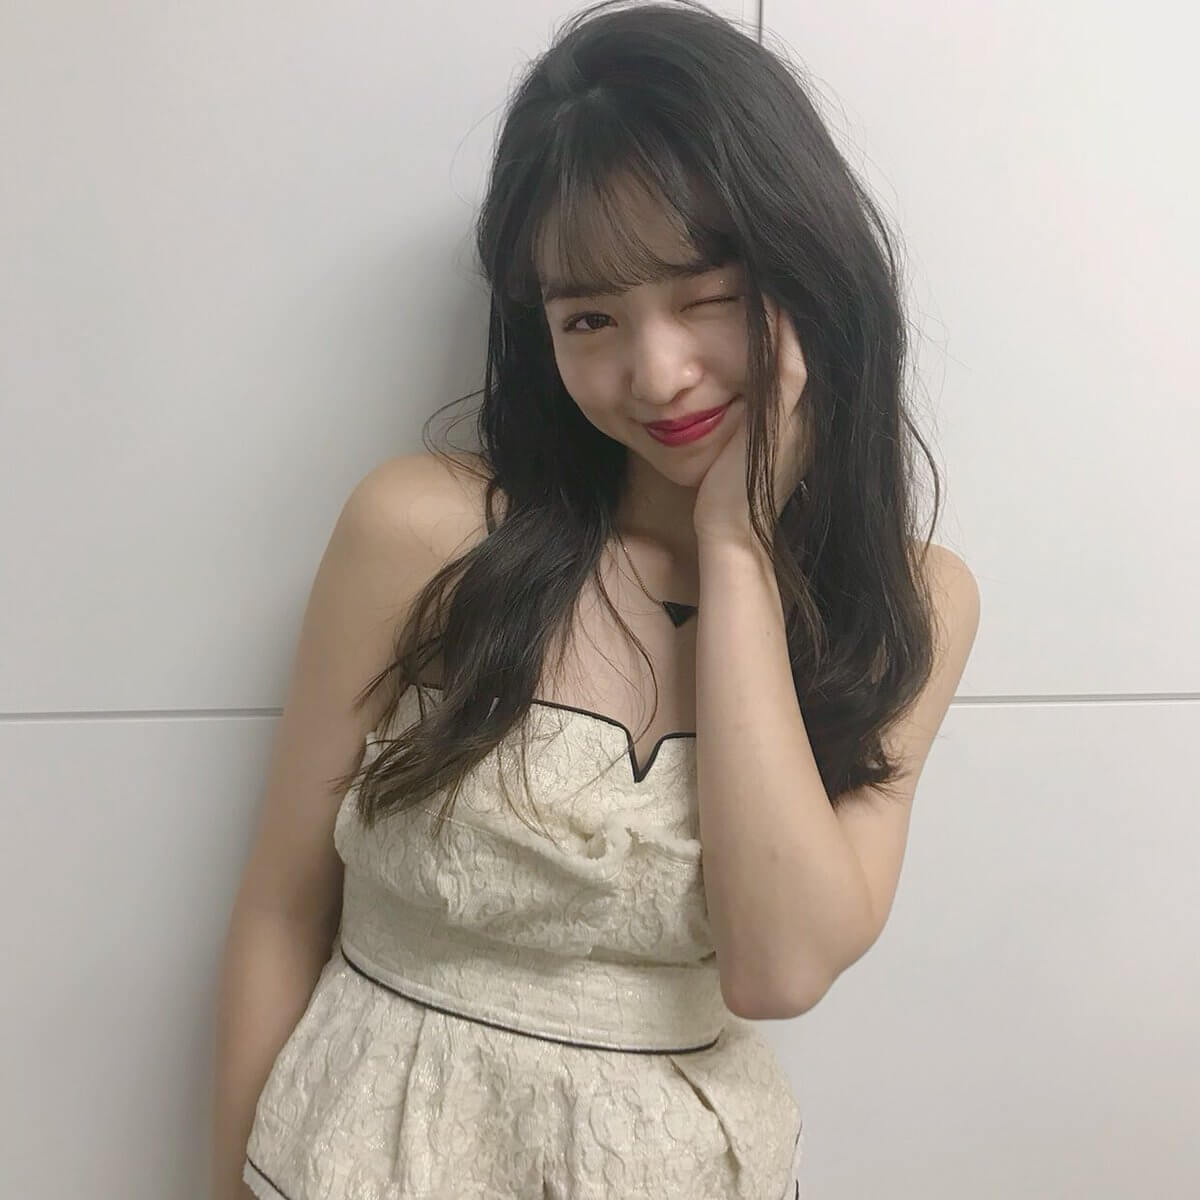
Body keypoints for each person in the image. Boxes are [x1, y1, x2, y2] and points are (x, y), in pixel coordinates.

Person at [211, 2, 981, 1197]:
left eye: (707, 294)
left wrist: (737, 552)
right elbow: (280, 910)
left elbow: (778, 969)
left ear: (809, 276)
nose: (657, 373)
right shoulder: (422, 532)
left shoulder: (912, 602)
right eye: (589, 318)